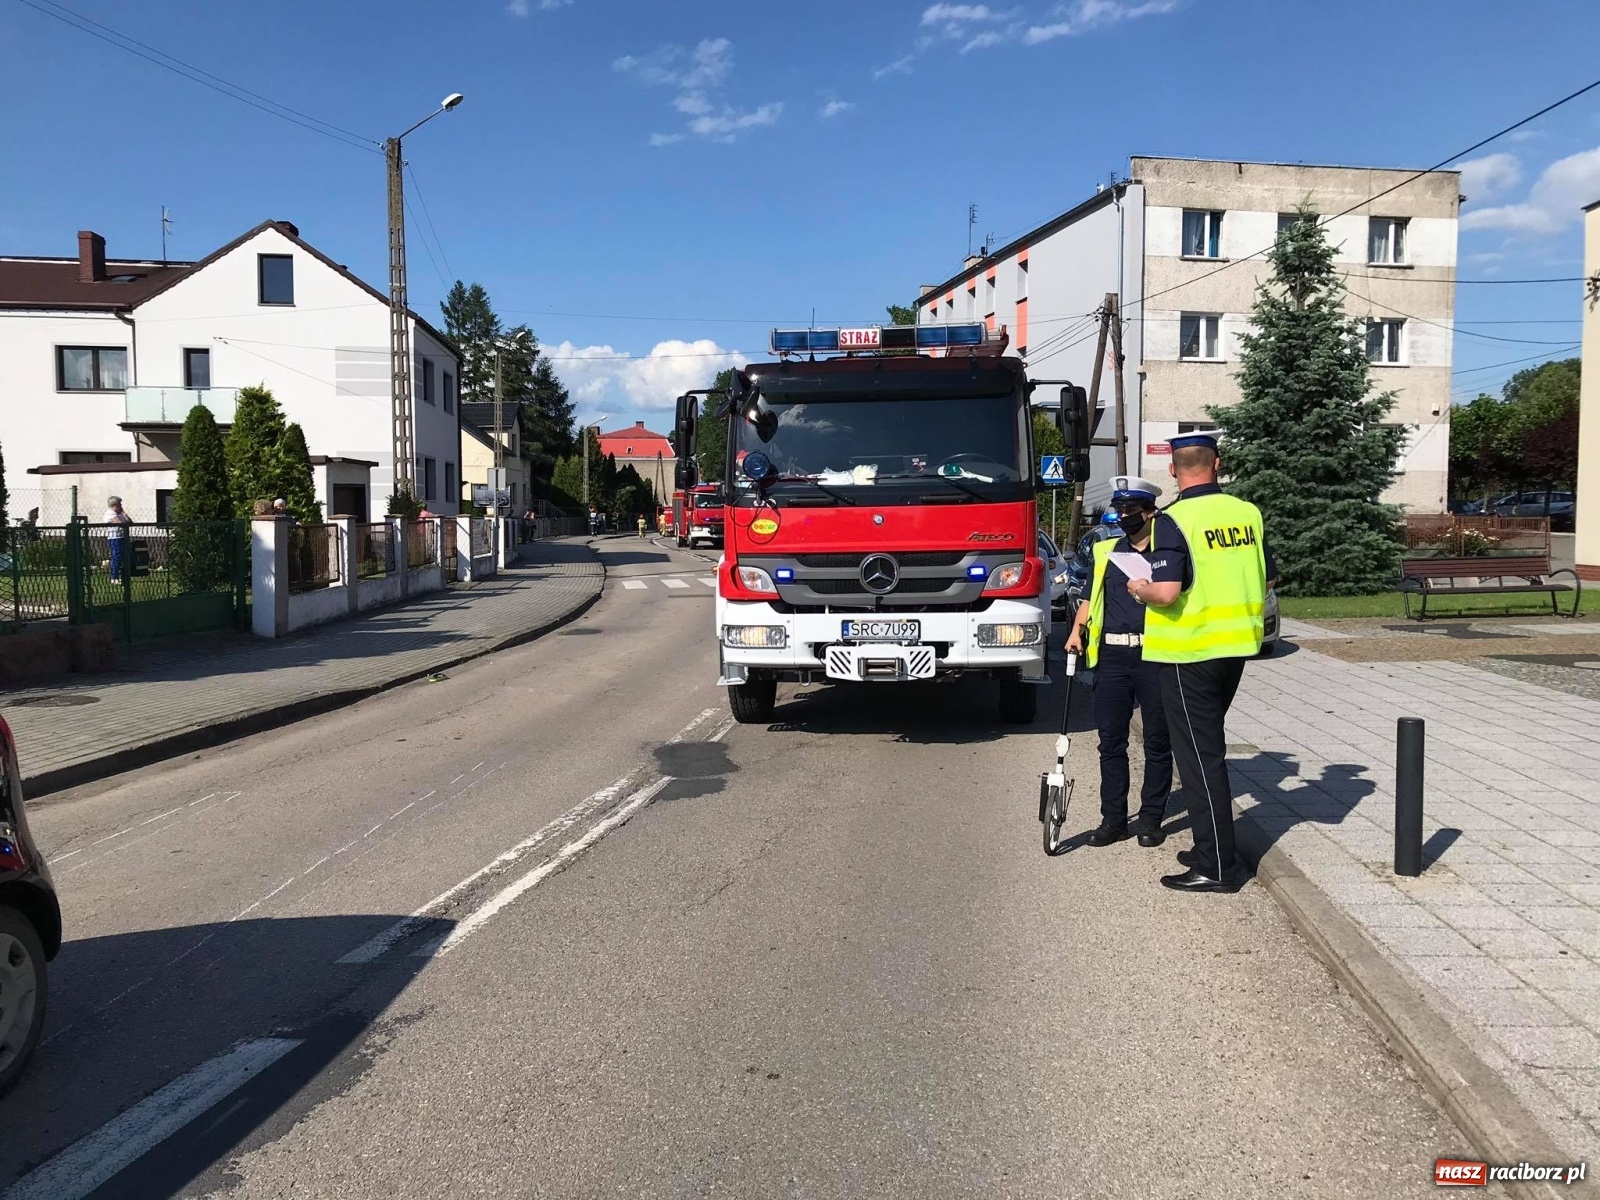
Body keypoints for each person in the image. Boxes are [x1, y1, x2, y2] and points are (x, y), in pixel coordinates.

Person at [1130, 432, 1274, 894]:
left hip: (1187, 652)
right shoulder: (1246, 512)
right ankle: (1209, 846)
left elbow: (1167, 592)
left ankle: (1216, 867)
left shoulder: (1174, 520)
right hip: (1236, 648)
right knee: (1204, 751)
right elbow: (1269, 572)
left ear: (1173, 470)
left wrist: (1139, 589)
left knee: (1199, 759)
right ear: (1218, 464)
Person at [1065, 476, 1174, 849]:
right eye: (1120, 508)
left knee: (1158, 742)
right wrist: (1077, 631)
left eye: (1131, 509)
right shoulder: (1106, 551)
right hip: (1112, 656)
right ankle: (1113, 820)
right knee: (1111, 742)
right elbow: (1088, 598)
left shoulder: (1166, 552)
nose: (1123, 515)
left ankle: (1150, 820)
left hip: (1154, 654)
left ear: (1149, 512)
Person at [102, 495, 132, 582]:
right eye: (120, 504)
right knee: (117, 556)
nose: (121, 506)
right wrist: (124, 520)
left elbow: (129, 522)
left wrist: (123, 513)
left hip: (123, 537)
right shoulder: (110, 514)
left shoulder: (119, 514)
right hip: (115, 538)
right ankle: (114, 577)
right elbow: (121, 523)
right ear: (115, 505)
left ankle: (109, 564)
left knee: (123, 556)